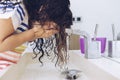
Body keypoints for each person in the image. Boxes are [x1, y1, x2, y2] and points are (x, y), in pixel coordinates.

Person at [0, 0, 72, 70]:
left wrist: (35, 34)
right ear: (43, 9)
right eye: (52, 26)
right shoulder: (16, 9)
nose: (51, 31)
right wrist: (33, 33)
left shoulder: (29, 20)